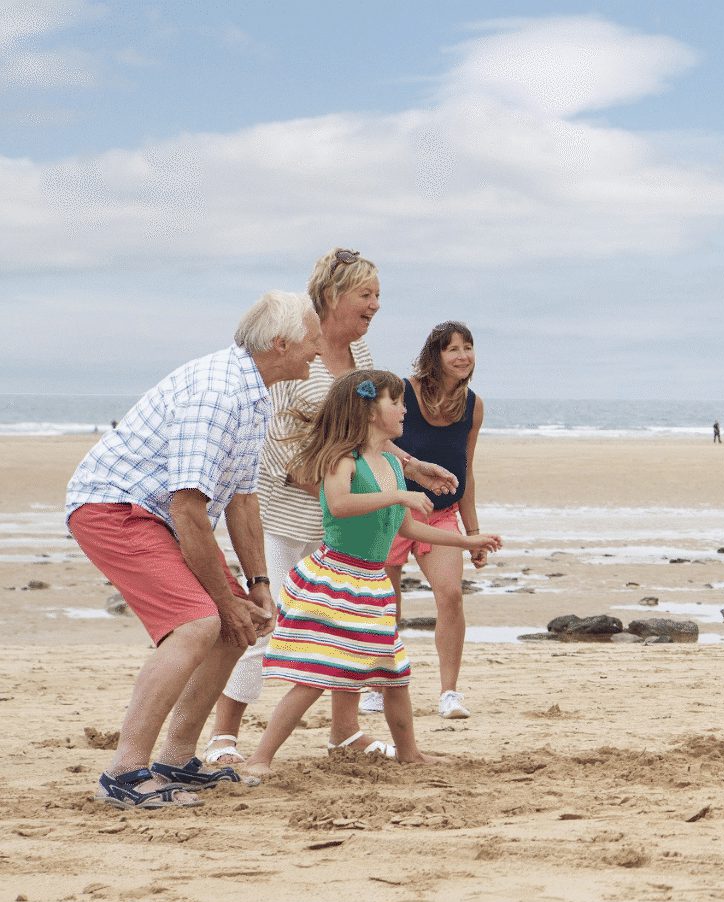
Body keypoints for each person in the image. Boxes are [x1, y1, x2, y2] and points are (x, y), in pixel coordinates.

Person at [65, 291, 321, 807]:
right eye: (312, 340)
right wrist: (223, 602)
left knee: (237, 623)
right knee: (200, 623)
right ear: (280, 343)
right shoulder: (219, 393)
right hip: (114, 508)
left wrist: (258, 587)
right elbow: (188, 509)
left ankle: (176, 759)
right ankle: (126, 772)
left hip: (161, 515)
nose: (317, 351)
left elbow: (242, 501)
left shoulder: (256, 391)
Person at [204, 249, 454, 764]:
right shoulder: (299, 349)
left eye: (378, 295)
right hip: (293, 511)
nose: (376, 306)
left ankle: (344, 732)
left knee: (345, 629)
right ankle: (224, 732)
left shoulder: (360, 356)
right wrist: (325, 483)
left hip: (347, 517)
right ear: (332, 296)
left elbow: (364, 431)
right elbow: (271, 436)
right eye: (366, 295)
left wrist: (409, 464)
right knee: (271, 622)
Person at [243, 371, 501, 779]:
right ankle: (261, 757)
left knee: (394, 674)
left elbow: (406, 528)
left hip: (372, 584)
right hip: (337, 581)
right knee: (315, 675)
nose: (404, 409)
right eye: (395, 402)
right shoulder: (343, 459)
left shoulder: (391, 465)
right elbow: (340, 504)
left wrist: (467, 542)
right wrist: (400, 494)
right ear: (368, 410)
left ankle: (409, 753)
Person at [386, 322, 487, 720]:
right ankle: (382, 683)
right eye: (453, 349)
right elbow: (373, 440)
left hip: (443, 513)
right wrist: (411, 468)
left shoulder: (473, 405)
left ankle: (449, 693)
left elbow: (467, 469)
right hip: (392, 511)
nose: (463, 356)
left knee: (451, 595)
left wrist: (474, 532)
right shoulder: (402, 391)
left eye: (468, 348)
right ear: (436, 355)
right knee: (385, 605)